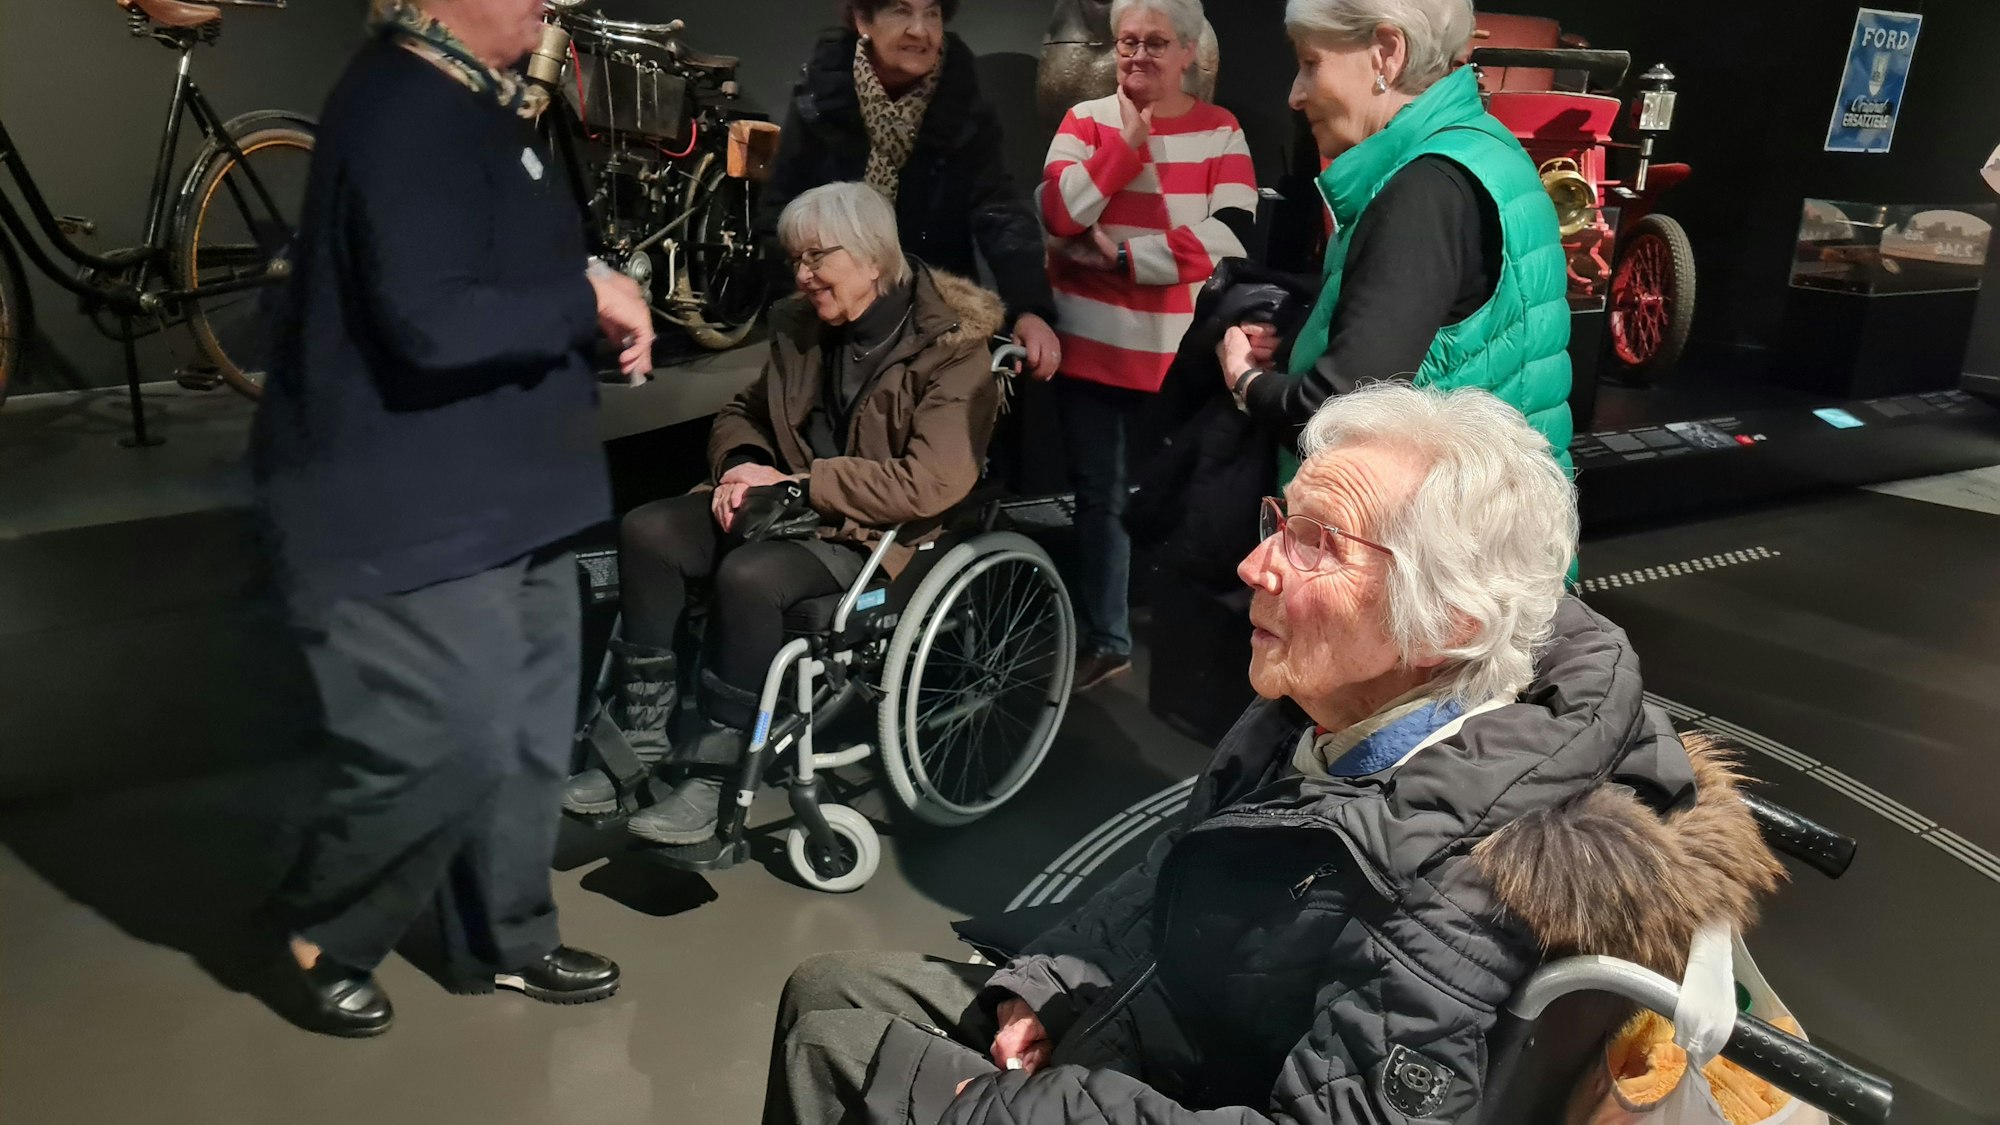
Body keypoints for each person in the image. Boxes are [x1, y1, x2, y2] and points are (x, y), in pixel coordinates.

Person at [763, 383, 1785, 1125]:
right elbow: (1188, 871)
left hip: (1202, 1082)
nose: (1254, 563)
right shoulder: (1328, 712)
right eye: (1277, 522)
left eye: (1314, 543)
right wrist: (1046, 980)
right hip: (1176, 1018)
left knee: (834, 1044)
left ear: (1445, 621)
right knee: (827, 988)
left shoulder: (1466, 893)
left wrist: (1033, 1103)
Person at [249, 0, 654, 1037]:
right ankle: (325, 929)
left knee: (525, 738)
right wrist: (585, 303)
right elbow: (428, 321)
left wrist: (590, 320)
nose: (545, 0)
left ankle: (507, 937)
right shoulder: (401, 104)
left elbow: (505, 287)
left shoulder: (480, 106)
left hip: (516, 491)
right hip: (415, 502)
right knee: (448, 737)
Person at [562, 182, 1006, 845]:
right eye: (795, 259)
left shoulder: (950, 349)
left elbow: (931, 480)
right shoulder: (802, 326)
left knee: (750, 575)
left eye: (815, 258)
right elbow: (745, 411)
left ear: (870, 255)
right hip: (783, 502)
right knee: (648, 531)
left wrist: (802, 484)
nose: (801, 275)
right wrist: (740, 461)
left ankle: (714, 775)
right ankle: (641, 733)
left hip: (868, 530)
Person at [1219, 0, 1574, 486]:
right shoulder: (1486, 146)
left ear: (1387, 53)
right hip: (1489, 520)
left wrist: (1244, 379)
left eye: (1310, 62)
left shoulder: (1423, 188)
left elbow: (1340, 415)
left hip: (1430, 538)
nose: (1295, 95)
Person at [1040, 0, 1257, 692]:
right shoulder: (1085, 121)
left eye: (1156, 43)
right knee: (1100, 497)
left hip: (1176, 356)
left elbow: (1232, 235)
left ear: (1190, 52)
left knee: (1178, 499)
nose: (1138, 54)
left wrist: (1126, 259)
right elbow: (1060, 212)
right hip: (1090, 349)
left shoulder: (1222, 130)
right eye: (1128, 41)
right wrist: (1124, 145)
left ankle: (1180, 644)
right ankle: (1109, 639)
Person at [758, 0, 1062, 381]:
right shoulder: (820, 98)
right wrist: (812, 299)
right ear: (862, 19)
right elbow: (780, 214)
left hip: (932, 324)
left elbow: (997, 208)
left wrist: (1030, 307)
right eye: (901, 11)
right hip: (833, 325)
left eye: (931, 12)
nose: (920, 30)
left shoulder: (963, 101)